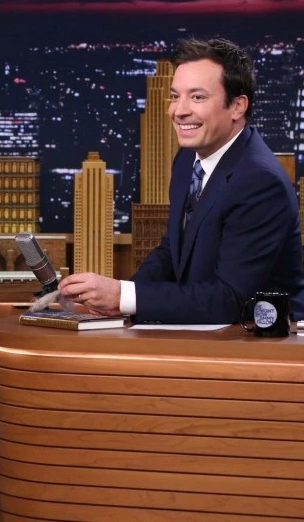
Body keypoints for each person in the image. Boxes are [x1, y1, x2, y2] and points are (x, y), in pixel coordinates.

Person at [58, 37, 304, 324]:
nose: (178, 111)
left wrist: (123, 296)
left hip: (264, 339)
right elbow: (173, 250)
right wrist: (118, 300)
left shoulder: (260, 181)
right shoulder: (188, 159)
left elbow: (231, 299)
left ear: (237, 106)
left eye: (197, 97)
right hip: (205, 328)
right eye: (175, 96)